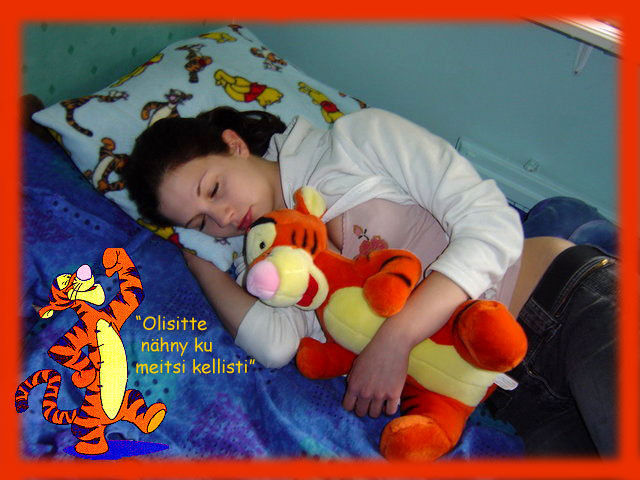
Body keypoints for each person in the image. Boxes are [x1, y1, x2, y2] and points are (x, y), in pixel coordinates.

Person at [122, 106, 617, 457]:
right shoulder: (270, 261)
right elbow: (275, 346)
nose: (226, 217)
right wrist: (196, 257)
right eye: (202, 221)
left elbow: (492, 223)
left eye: (214, 189)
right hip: (513, 397)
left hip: (561, 303)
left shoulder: (354, 140)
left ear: (234, 145)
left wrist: (396, 337)